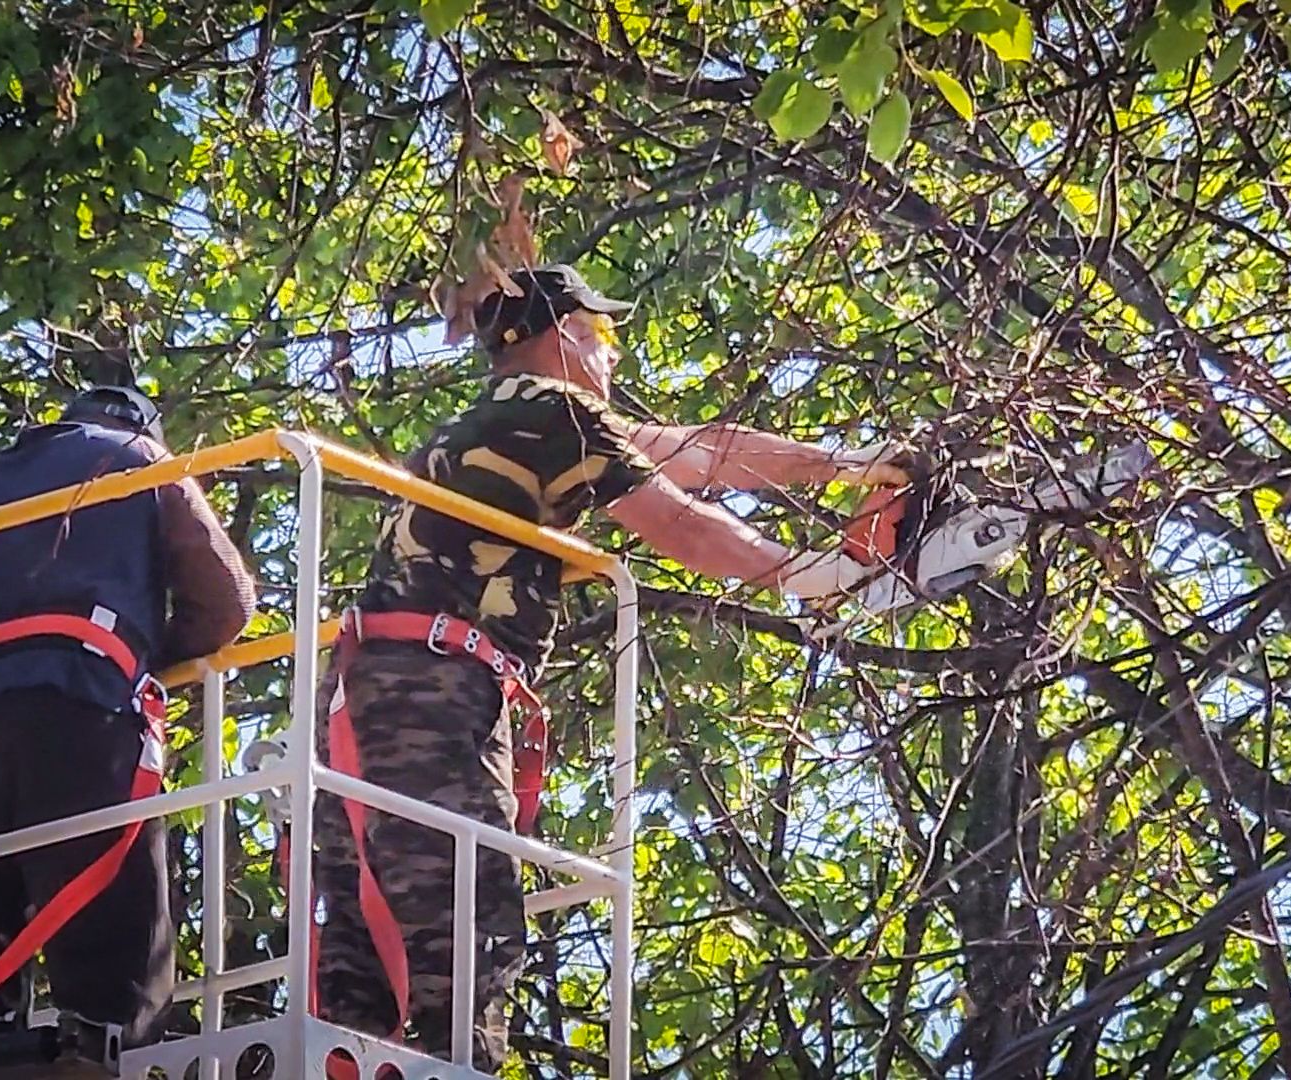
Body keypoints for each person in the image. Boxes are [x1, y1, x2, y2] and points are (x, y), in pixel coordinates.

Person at [313, 264, 905, 1069]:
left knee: (359, 953)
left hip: (358, 695)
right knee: (470, 926)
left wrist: (849, 464)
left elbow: (704, 452)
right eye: (605, 337)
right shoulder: (560, 411)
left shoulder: (496, 422)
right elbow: (679, 522)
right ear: (565, 339)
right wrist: (811, 576)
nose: (613, 357)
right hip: (436, 697)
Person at [0, 385, 256, 1048]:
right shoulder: (139, 456)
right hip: (70, 700)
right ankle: (106, 1045)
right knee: (112, 935)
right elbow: (227, 603)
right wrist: (151, 653)